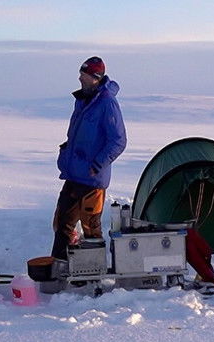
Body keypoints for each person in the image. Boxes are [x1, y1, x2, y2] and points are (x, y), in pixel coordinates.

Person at [50, 56, 127, 272]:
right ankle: (59, 268)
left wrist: (97, 164)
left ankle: (94, 271)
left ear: (95, 77)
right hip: (74, 174)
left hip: (92, 179)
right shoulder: (83, 100)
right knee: (62, 223)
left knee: (91, 228)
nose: (79, 77)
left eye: (83, 74)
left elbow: (118, 141)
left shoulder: (107, 103)